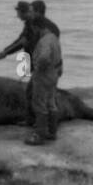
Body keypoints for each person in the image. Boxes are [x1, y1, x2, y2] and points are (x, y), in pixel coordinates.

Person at [0, 1, 62, 125]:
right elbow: (22, 40)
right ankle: (38, 123)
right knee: (37, 95)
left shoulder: (48, 31)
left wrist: (38, 70)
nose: (29, 13)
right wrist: (6, 51)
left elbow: (44, 51)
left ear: (38, 12)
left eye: (31, 10)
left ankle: (42, 129)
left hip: (46, 68)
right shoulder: (32, 24)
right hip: (44, 66)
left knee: (41, 98)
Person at [25, 17, 63, 145]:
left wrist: (38, 68)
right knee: (51, 103)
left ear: (37, 27)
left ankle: (39, 135)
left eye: (33, 29)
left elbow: (44, 57)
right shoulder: (53, 38)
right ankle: (52, 132)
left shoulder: (44, 41)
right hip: (54, 74)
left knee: (39, 104)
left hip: (43, 75)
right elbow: (59, 56)